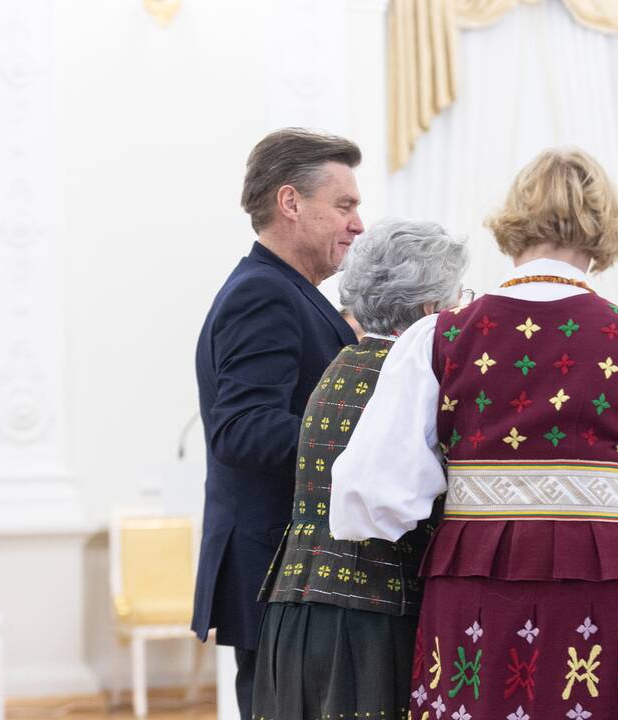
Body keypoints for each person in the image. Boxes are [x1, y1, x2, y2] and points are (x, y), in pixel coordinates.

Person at [330, 148, 618, 720]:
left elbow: (369, 490)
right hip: (613, 586)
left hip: (477, 581)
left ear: (512, 221)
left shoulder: (437, 337)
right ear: (603, 226)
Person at [251, 218, 469, 719]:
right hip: (368, 620)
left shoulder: (344, 363)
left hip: (295, 614)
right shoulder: (409, 379)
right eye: (461, 298)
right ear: (430, 310)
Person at [191, 128, 363, 720]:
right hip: (279, 573)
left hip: (292, 570)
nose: (357, 224)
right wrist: (368, 447)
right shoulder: (263, 293)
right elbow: (242, 428)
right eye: (344, 206)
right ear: (291, 203)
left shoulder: (289, 291)